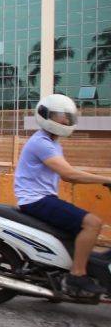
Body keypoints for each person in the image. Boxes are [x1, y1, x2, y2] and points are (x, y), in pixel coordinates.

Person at [14, 94, 108, 295]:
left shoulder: (53, 142)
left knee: (77, 230)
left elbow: (68, 174)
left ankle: (65, 270)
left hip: (44, 198)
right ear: (46, 116)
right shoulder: (41, 142)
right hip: (36, 200)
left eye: (67, 116)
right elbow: (68, 174)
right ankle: (77, 276)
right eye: (60, 116)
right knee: (92, 223)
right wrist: (106, 180)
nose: (65, 120)